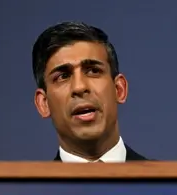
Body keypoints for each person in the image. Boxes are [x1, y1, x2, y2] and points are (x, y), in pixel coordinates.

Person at [31, 21, 149, 162]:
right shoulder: (35, 185)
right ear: (44, 103)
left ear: (119, 89)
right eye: (63, 76)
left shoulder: (164, 183)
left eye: (93, 71)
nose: (79, 87)